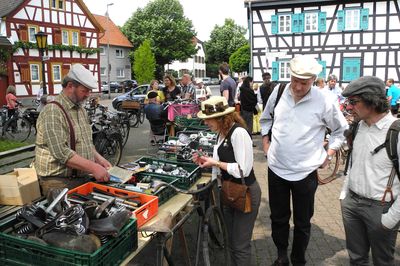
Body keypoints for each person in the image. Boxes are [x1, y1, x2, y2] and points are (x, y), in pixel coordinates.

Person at [260, 55, 348, 266]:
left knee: (302, 221)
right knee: (278, 218)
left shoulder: (325, 100)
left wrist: (330, 153)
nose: (298, 87)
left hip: (306, 172)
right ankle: (281, 255)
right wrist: (265, 142)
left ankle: (298, 258)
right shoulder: (279, 91)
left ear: (314, 79)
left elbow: (341, 130)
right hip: (276, 168)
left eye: (305, 82)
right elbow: (266, 118)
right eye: (295, 80)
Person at [192, 96, 261, 266]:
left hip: (245, 193)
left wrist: (215, 162)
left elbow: (242, 169)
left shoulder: (238, 133)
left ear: (222, 118)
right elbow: (221, 164)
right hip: (229, 192)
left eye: (209, 119)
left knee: (240, 245)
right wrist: (206, 161)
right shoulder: (221, 134)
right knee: (230, 240)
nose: (206, 123)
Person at [339, 76, 400, 266]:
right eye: (349, 102)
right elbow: (353, 164)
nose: (349, 107)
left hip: (380, 208)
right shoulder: (359, 127)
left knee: (382, 261)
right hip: (352, 204)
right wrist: (344, 196)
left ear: (372, 101)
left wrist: (390, 219)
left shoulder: (395, 132)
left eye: (354, 102)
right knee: (356, 259)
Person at [35, 64, 112, 196]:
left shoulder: (80, 109)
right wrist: (93, 167)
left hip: (80, 177)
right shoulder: (53, 111)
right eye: (85, 90)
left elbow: (85, 142)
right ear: (70, 86)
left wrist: (99, 159)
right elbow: (61, 153)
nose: (88, 95)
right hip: (58, 182)